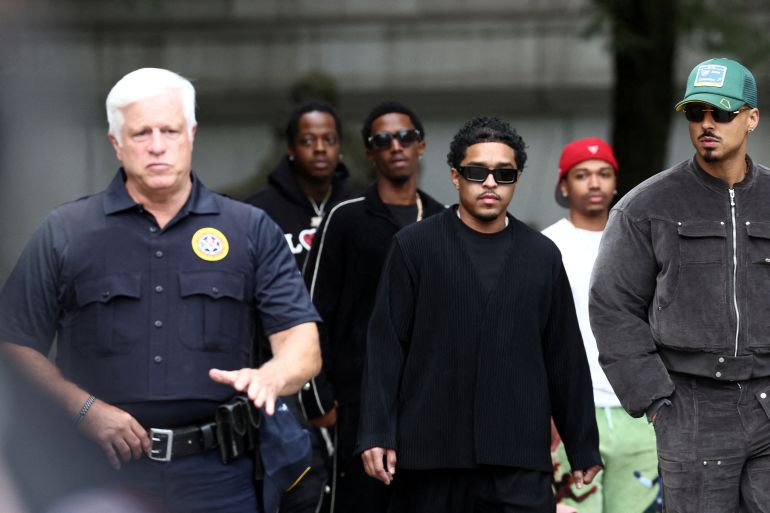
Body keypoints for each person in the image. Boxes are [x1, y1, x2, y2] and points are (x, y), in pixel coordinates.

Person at [0, 67, 322, 513]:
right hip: (101, 472)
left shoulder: (248, 229)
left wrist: (270, 377)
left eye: (169, 130)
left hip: (219, 476)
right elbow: (13, 342)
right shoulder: (66, 231)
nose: (156, 145)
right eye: (140, 133)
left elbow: (303, 347)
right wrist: (82, 408)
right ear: (116, 143)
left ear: (191, 133)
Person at [358, 116, 602, 513]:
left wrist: (582, 445)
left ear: (516, 180)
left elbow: (564, 357)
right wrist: (376, 432)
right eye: (477, 172)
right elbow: (385, 347)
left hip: (518, 459)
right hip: (430, 457)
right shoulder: (414, 247)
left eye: (503, 174)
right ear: (456, 177)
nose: (490, 183)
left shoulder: (541, 256)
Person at [589, 57, 768, 512]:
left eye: (721, 113)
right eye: (696, 112)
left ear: (751, 118)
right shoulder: (646, 206)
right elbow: (612, 306)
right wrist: (656, 401)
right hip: (691, 406)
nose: (707, 124)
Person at [302, 101, 444, 512]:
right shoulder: (345, 217)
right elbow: (312, 308)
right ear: (369, 151)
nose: (395, 145)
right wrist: (320, 400)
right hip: (359, 405)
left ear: (421, 146)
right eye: (382, 139)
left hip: (430, 406)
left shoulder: (442, 219)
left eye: (405, 137)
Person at [246, 101, 355, 513]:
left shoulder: (357, 206)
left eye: (329, 140)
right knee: (299, 490)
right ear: (291, 149)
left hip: (346, 379)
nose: (320, 149)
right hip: (282, 375)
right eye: (309, 141)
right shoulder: (259, 212)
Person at [543, 138, 660, 513]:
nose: (594, 183)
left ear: (615, 182)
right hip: (570, 415)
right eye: (582, 174)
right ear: (564, 185)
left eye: (603, 174)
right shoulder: (545, 246)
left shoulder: (643, 242)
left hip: (638, 413)